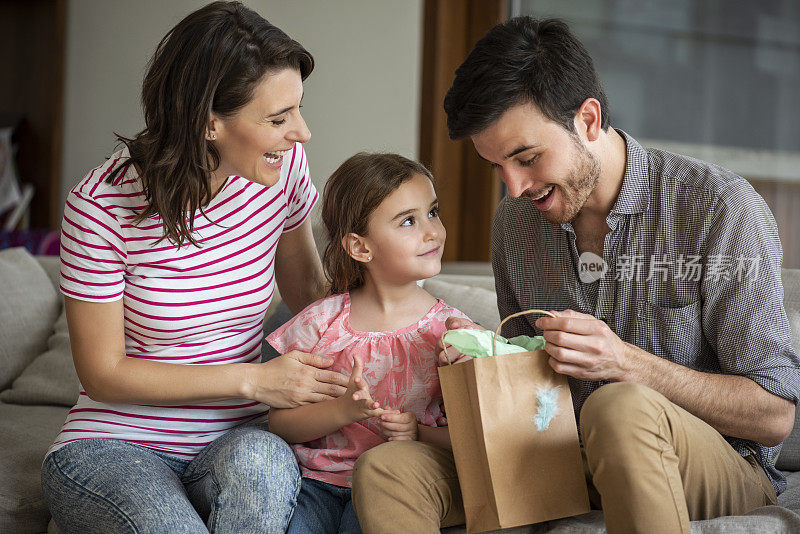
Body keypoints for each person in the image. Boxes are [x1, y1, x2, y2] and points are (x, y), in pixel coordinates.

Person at [352, 16, 800, 534]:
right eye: (496, 167)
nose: (515, 187)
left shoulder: (719, 209)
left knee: (619, 407)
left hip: (714, 465)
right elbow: (529, 399)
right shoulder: (517, 226)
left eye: (527, 158)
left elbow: (774, 416)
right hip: (559, 454)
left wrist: (626, 362)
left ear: (588, 119)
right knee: (388, 470)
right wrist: (486, 356)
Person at [41, 2, 351, 533]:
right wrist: (253, 381)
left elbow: (309, 294)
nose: (301, 132)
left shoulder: (281, 171)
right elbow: (103, 373)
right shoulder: (100, 204)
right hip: (113, 447)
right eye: (277, 119)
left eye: (297, 108)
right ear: (209, 122)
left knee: (266, 464)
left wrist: (398, 330)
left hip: (236, 441)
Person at [266, 153, 469, 533]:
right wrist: (342, 411)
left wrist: (417, 433)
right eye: (409, 221)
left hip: (394, 488)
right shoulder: (318, 323)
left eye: (433, 212)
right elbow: (279, 425)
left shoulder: (454, 333)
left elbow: (472, 438)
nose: (433, 232)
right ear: (360, 248)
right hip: (315, 487)